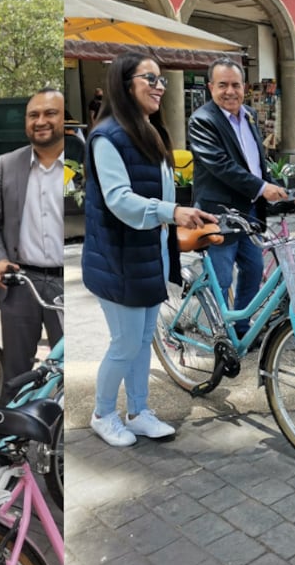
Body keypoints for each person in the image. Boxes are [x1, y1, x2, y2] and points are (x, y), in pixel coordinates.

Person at [83, 53, 217, 447]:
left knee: (142, 341)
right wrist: (171, 212)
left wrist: (176, 215)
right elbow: (119, 200)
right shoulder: (107, 136)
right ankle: (102, 413)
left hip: (149, 256)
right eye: (150, 78)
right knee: (124, 344)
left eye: (162, 80)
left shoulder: (148, 131)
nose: (160, 86)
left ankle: (138, 411)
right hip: (118, 259)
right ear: (126, 84)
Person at [187, 58, 289, 336]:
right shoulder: (202, 121)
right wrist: (261, 188)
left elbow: (255, 165)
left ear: (244, 87)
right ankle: (221, 336)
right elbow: (222, 166)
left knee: (253, 271)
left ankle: (241, 327)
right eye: (223, 85)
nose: (229, 91)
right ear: (211, 87)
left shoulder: (250, 116)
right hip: (219, 215)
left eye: (235, 85)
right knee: (220, 280)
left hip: (250, 214)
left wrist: (279, 188)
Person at [0, 89, 66, 382]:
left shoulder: (83, 161)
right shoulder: (8, 163)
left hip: (68, 283)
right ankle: (14, 428)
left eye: (50, 113)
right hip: (20, 283)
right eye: (33, 115)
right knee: (16, 372)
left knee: (66, 369)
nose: (40, 121)